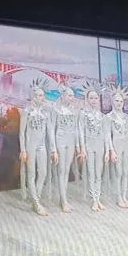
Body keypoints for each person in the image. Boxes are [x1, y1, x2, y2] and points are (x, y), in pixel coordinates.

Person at [19, 77, 53, 216]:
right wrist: (23, 150)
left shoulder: (45, 112)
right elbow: (22, 132)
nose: (42, 98)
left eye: (43, 95)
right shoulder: (27, 111)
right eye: (39, 95)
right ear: (33, 97)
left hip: (42, 146)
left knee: (43, 172)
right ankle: (37, 203)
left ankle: (36, 199)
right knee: (31, 174)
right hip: (30, 146)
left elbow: (49, 132)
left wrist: (53, 149)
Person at [49, 84, 82, 212]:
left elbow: (76, 128)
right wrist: (53, 149)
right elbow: (52, 129)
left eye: (73, 95)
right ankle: (63, 200)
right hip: (60, 140)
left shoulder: (74, 111)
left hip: (71, 140)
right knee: (61, 170)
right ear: (63, 96)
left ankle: (64, 198)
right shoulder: (56, 110)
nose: (71, 98)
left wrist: (78, 145)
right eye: (69, 95)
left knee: (67, 170)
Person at [79, 83, 109, 211]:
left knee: (98, 173)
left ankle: (98, 198)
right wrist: (83, 148)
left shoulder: (102, 116)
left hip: (100, 145)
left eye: (96, 98)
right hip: (89, 145)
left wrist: (107, 151)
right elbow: (81, 131)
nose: (94, 100)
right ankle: (94, 200)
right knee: (91, 172)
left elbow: (106, 134)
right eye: (91, 98)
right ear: (87, 99)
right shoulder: (83, 114)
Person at [107, 86, 128, 208]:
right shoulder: (108, 117)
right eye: (116, 101)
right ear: (112, 101)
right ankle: (118, 196)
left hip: (127, 145)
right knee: (118, 172)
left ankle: (124, 196)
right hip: (116, 144)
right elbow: (108, 135)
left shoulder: (127, 117)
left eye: (121, 101)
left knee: (125, 172)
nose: (119, 103)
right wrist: (111, 150)